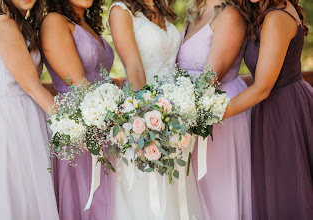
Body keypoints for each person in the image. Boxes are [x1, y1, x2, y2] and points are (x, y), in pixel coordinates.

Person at [108, 0, 204, 219]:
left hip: (175, 120)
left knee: (176, 196)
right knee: (150, 199)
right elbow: (134, 69)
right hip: (147, 120)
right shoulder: (121, 11)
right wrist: (146, 124)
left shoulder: (163, 10)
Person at [223, 0, 313, 219]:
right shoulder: (265, 13)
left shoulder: (276, 18)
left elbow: (262, 88)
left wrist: (211, 113)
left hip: (285, 114)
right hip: (271, 109)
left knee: (287, 194)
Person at [0, 0, 59, 219]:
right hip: (11, 121)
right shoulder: (3, 24)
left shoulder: (21, 24)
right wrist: (73, 124)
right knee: (17, 196)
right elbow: (32, 86)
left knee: (32, 195)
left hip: (29, 115)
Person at [177, 0, 252, 219]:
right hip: (190, 112)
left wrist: (182, 116)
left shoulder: (231, 14)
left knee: (217, 193)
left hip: (218, 113)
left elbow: (211, 77)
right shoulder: (196, 10)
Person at [40, 0, 115, 219]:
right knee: (85, 202)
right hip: (77, 128)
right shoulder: (54, 22)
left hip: (105, 124)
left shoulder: (85, 22)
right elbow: (79, 84)